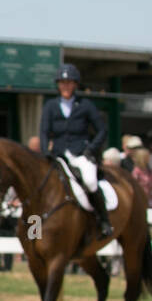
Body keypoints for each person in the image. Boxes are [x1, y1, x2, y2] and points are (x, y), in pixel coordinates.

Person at [39, 63, 111, 237]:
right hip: (58, 155)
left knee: (90, 181)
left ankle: (103, 222)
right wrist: (44, 152)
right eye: (62, 82)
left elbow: (102, 129)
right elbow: (43, 131)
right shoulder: (50, 106)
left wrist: (91, 149)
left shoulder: (85, 105)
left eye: (69, 82)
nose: (66, 86)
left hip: (80, 154)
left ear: (75, 84)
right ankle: (37, 230)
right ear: (58, 84)